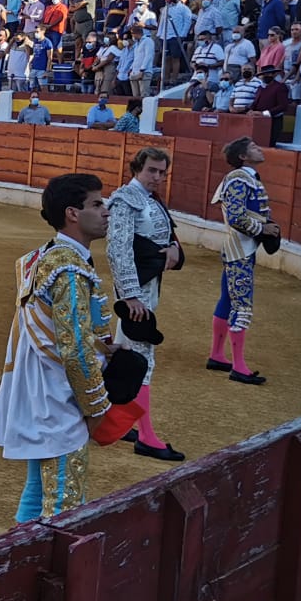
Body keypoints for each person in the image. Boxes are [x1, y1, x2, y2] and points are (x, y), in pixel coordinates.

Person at [0, 173, 114, 523]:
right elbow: (73, 350)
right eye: (97, 204)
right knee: (63, 503)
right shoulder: (68, 269)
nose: (106, 211)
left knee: (37, 489)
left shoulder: (45, 256)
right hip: (57, 395)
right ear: (73, 213)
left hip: (36, 385)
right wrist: (96, 405)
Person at [106, 147, 184, 461]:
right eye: (152, 170)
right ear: (137, 168)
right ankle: (147, 436)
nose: (158, 178)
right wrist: (130, 295)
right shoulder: (126, 201)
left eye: (163, 172)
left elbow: (168, 236)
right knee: (142, 359)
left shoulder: (151, 201)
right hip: (137, 294)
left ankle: (116, 421)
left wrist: (176, 250)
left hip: (148, 288)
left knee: (126, 353)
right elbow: (118, 250)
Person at [208, 137, 276, 385]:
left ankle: (216, 355)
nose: (260, 149)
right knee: (242, 305)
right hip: (240, 249)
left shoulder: (245, 177)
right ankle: (238, 366)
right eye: (254, 147)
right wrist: (263, 229)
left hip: (240, 247)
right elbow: (236, 216)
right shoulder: (239, 178)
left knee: (228, 299)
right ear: (243, 157)